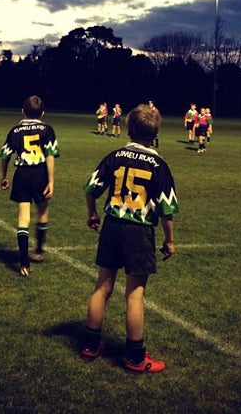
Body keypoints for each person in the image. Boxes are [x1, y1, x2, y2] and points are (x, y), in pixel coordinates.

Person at [80, 104, 178, 373]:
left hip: (112, 227)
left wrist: (92, 213)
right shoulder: (159, 165)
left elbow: (91, 188)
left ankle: (90, 345)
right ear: (155, 133)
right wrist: (169, 239)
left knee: (102, 286)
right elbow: (166, 209)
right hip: (139, 232)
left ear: (129, 128)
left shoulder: (115, 156)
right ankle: (135, 357)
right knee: (135, 293)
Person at [0, 95, 60, 275]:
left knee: (23, 218)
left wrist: (4, 176)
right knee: (42, 213)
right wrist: (51, 181)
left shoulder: (15, 130)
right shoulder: (47, 129)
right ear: (42, 113)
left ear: (23, 111)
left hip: (22, 174)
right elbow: (50, 156)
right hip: (40, 173)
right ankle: (39, 251)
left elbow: (5, 155)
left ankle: (24, 264)